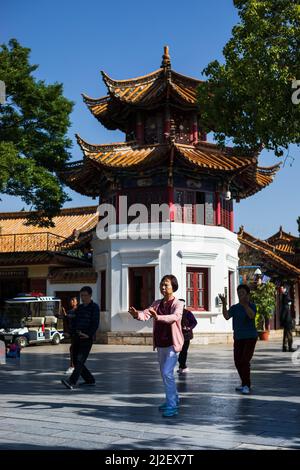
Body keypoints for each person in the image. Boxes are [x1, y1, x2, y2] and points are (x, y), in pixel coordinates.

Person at [129, 275, 184, 417]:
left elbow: (175, 317)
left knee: (167, 373)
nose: (163, 287)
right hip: (160, 344)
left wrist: (158, 317)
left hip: (172, 344)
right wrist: (136, 315)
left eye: (166, 285)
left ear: (173, 287)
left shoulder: (178, 304)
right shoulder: (157, 303)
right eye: (162, 284)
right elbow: (146, 314)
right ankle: (174, 398)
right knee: (165, 374)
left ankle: (172, 405)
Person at [219, 284, 257, 395]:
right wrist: (224, 303)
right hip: (238, 337)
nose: (240, 295)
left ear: (247, 294)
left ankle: (246, 385)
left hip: (250, 337)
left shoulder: (252, 306)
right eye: (239, 293)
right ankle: (244, 382)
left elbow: (252, 316)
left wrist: (245, 305)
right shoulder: (235, 308)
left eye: (243, 293)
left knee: (245, 361)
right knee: (237, 361)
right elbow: (226, 316)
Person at [61, 286, 99, 390]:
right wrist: (70, 332)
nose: (83, 297)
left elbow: (95, 323)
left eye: (85, 295)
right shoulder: (80, 308)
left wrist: (89, 334)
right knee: (76, 360)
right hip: (77, 337)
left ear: (90, 295)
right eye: (81, 295)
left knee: (80, 360)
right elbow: (74, 322)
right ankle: (90, 380)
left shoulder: (94, 307)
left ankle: (71, 381)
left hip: (86, 338)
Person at [177, 299, 197, 374]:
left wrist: (189, 328)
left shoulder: (187, 313)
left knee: (184, 351)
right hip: (177, 334)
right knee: (177, 351)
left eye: (182, 306)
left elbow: (194, 322)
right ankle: (182, 365)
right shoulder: (174, 312)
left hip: (186, 335)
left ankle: (182, 366)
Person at [280, 285, 296, 352]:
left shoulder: (285, 297)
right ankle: (289, 347)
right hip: (287, 321)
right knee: (289, 334)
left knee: (286, 334)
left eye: (282, 288)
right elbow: (287, 297)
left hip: (286, 320)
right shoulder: (285, 305)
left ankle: (284, 347)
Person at [64, 296, 78, 375]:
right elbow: (67, 322)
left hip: (77, 333)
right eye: (71, 300)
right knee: (72, 349)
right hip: (72, 333)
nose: (71, 301)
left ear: (76, 302)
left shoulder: (78, 310)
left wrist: (67, 316)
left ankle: (73, 366)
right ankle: (73, 366)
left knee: (73, 349)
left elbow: (76, 318)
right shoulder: (69, 311)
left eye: (73, 300)